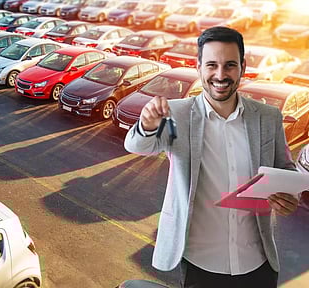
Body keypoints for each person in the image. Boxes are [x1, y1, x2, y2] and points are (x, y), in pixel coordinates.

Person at [124, 26, 300, 288]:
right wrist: (148, 124)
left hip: (258, 262)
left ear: (241, 67)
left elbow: (286, 169)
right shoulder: (177, 116)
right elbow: (140, 145)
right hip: (200, 263)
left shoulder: (267, 117)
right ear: (198, 67)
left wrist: (290, 197)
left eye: (230, 65)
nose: (220, 75)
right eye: (212, 65)